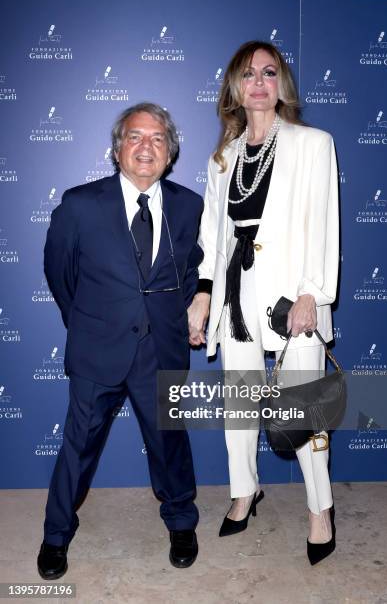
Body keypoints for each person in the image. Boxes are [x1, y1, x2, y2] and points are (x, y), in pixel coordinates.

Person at [37, 102, 203, 579]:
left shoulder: (190, 205)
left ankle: (181, 521)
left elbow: (192, 271)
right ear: (116, 149)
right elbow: (58, 273)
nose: (146, 147)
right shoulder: (80, 204)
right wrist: (88, 321)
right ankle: (55, 534)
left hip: (161, 349)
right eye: (135, 137)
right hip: (98, 348)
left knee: (170, 442)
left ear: (170, 152)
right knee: (77, 447)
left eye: (157, 138)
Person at [188, 41, 339, 565]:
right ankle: (244, 492)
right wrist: (204, 293)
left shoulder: (312, 143)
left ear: (281, 85)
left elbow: (324, 222)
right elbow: (213, 230)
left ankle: (321, 509)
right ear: (235, 86)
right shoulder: (223, 156)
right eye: (248, 74)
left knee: (304, 406)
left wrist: (312, 294)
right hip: (236, 292)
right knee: (240, 402)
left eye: (269, 72)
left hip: (290, 294)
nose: (258, 81)